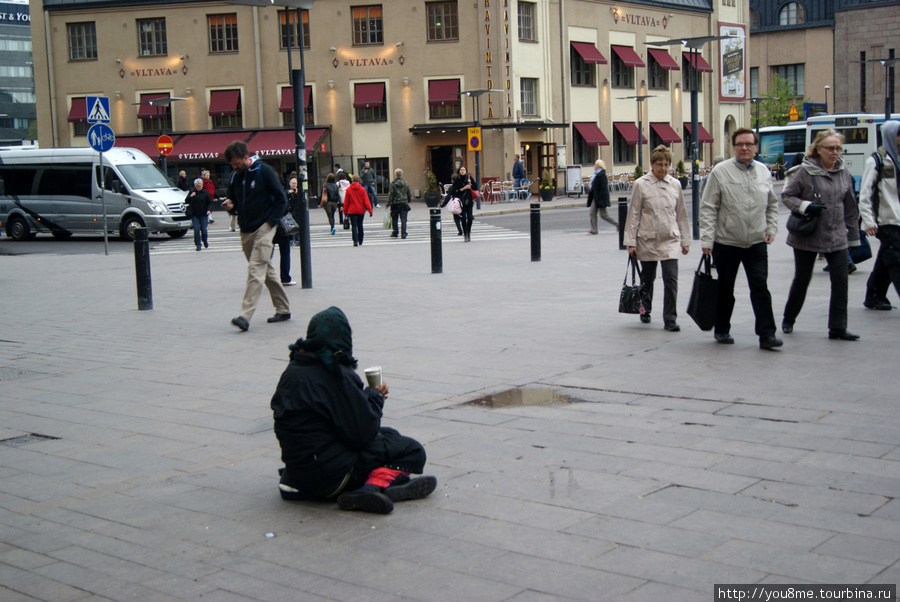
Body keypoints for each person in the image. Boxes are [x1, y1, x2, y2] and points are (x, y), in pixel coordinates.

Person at [271, 307, 438, 514]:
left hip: (298, 471)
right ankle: (370, 487)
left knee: (389, 435)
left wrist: (366, 397)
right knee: (411, 451)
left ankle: (297, 485)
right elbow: (363, 434)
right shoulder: (335, 373)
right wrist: (375, 397)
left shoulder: (293, 369)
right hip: (333, 477)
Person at [700, 127, 782, 350]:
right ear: (733, 147)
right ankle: (722, 328)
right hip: (727, 242)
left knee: (760, 287)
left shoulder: (764, 172)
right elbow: (708, 207)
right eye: (740, 144)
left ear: (756, 147)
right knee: (726, 288)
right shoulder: (721, 172)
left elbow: (772, 204)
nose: (744, 148)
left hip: (756, 242)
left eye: (749, 144)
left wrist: (771, 228)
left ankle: (767, 335)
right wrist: (707, 240)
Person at [781, 130, 860, 340]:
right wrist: (806, 206)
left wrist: (853, 237)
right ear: (818, 149)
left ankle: (838, 328)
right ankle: (789, 317)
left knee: (841, 282)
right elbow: (787, 196)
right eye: (830, 148)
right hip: (808, 235)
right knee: (802, 279)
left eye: (838, 148)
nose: (835, 153)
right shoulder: (805, 171)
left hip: (837, 236)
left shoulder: (843, 172)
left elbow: (851, 207)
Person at [220, 140, 291, 331]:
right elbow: (233, 199)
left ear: (246, 157)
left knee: (255, 269)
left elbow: (281, 199)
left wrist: (269, 223)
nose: (235, 167)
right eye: (232, 165)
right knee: (265, 270)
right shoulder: (236, 176)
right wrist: (229, 204)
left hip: (264, 228)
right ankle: (283, 309)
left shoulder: (264, 171)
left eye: (237, 163)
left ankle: (245, 315)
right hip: (246, 229)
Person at [623, 146, 691, 331]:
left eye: (666, 165)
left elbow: (682, 214)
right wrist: (631, 242)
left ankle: (670, 318)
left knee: (671, 279)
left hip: (669, 238)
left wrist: (685, 240)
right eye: (659, 164)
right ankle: (645, 308)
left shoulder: (675, 184)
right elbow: (634, 214)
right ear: (651, 164)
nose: (663, 168)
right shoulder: (641, 184)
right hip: (648, 239)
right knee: (648, 278)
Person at [859, 119, 900, 311]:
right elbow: (865, 194)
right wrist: (868, 221)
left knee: (886, 258)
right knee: (896, 260)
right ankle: (875, 295)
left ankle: (875, 295)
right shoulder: (876, 160)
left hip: (898, 220)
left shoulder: (897, 160)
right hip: (886, 220)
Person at [587, 159, 617, 234]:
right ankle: (594, 230)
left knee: (603, 215)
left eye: (595, 164)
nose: (594, 166)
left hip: (600, 198)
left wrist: (600, 198)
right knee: (592, 212)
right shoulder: (596, 174)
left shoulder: (601, 175)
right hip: (595, 196)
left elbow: (603, 188)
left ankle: (618, 224)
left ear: (599, 166)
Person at [343, 174, 373, 247]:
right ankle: (361, 240)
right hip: (360, 210)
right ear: (359, 180)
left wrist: (345, 211)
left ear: (352, 180)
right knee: (360, 225)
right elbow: (366, 201)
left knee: (353, 225)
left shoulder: (349, 189)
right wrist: (370, 210)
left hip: (352, 210)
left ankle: (355, 241)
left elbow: (346, 201)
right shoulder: (362, 189)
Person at [186, 177, 212, 251]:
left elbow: (209, 202)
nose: (198, 188)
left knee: (204, 229)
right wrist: (191, 196)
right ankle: (198, 244)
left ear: (202, 186)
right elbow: (186, 200)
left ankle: (205, 241)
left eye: (199, 186)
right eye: (197, 186)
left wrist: (209, 210)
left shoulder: (205, 192)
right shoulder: (192, 191)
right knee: (196, 230)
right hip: (195, 214)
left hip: (203, 214)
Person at [450, 166, 476, 241]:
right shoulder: (457, 180)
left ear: (466, 171)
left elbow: (475, 187)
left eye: (464, 170)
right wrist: (464, 188)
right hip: (461, 202)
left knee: (470, 218)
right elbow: (455, 191)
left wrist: (471, 185)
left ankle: (468, 232)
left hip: (469, 201)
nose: (462, 171)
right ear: (459, 171)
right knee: (463, 218)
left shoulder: (469, 178)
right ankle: (465, 234)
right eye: (461, 170)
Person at [387, 168, 411, 239]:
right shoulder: (405, 183)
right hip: (403, 203)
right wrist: (409, 200)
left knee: (394, 219)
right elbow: (408, 193)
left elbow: (391, 195)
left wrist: (388, 203)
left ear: (395, 175)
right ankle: (403, 233)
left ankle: (395, 232)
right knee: (403, 219)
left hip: (395, 203)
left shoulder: (393, 184)